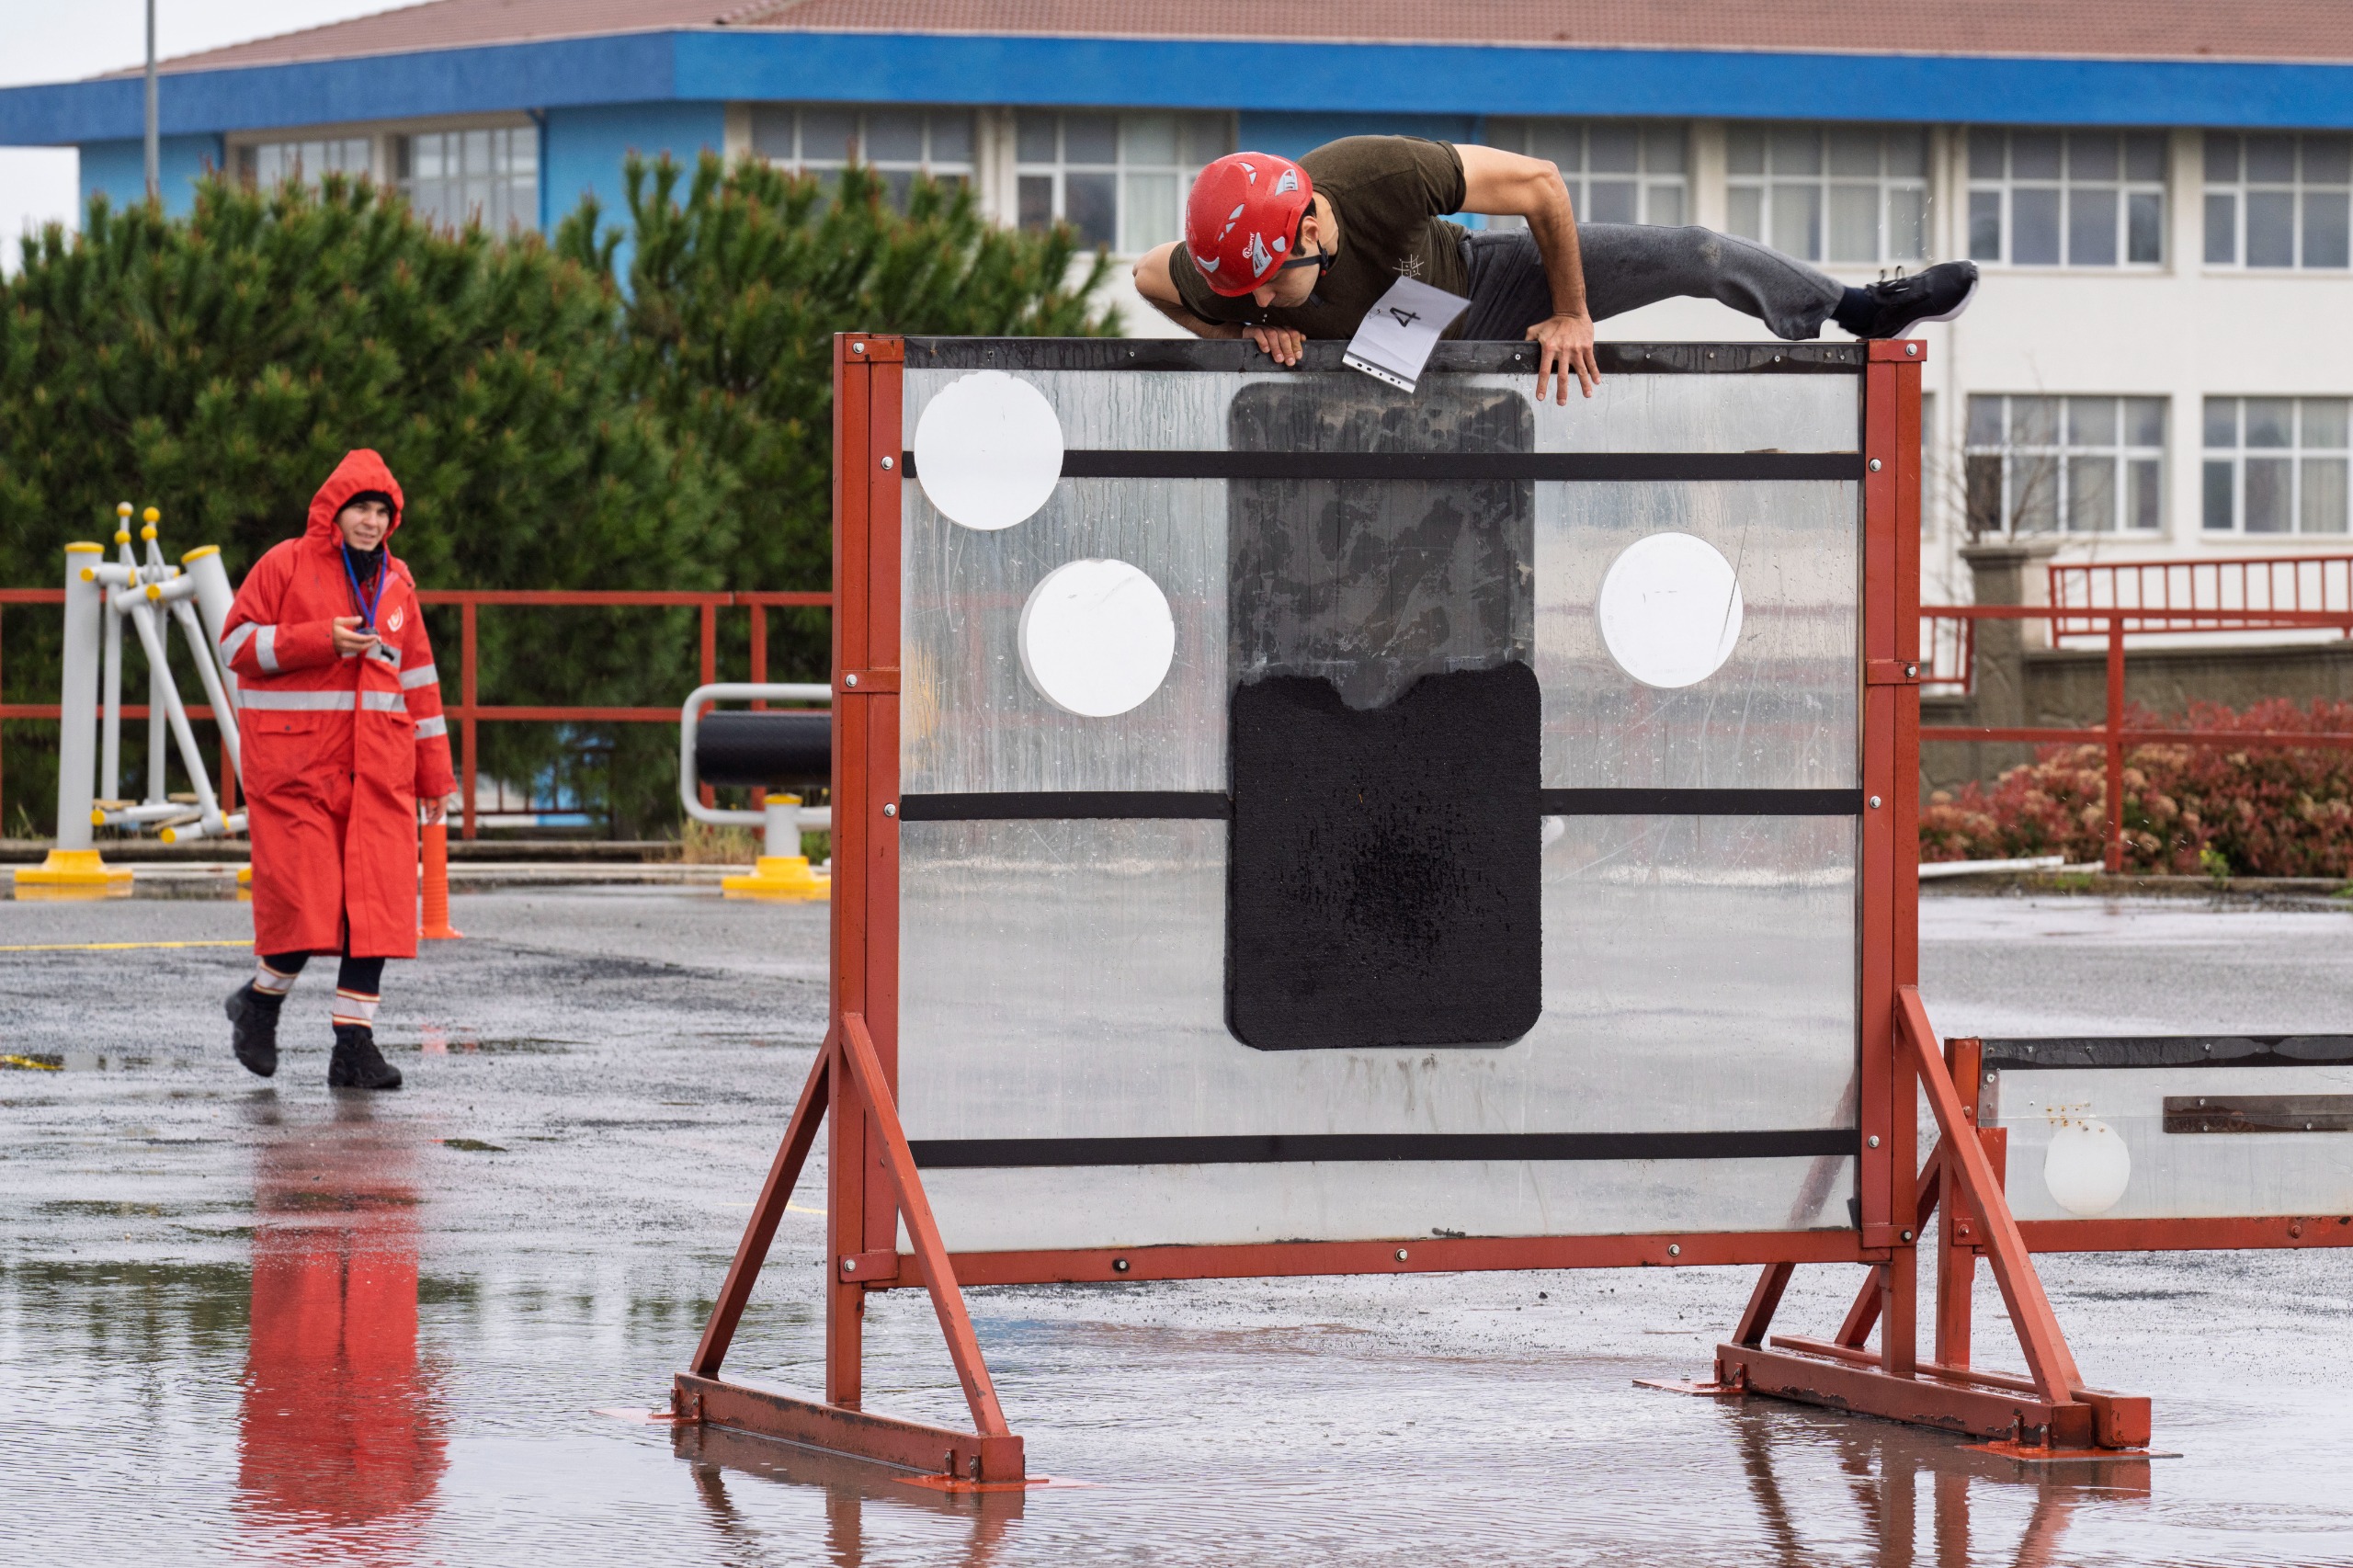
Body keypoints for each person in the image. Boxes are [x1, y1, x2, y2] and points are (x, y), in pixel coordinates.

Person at [1133, 138, 1979, 403]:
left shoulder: (1376, 175)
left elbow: (1539, 183)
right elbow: (1147, 277)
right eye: (1245, 290)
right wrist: (1243, 326)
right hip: (1383, 365)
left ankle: (1859, 305)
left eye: (1275, 284)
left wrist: (1572, 307)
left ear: (1312, 223)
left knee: (1693, 251)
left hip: (1473, 282)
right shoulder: (1229, 271)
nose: (1262, 296)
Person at [218, 449, 456, 1090]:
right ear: (335, 511)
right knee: (309, 907)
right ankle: (259, 1005)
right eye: (361, 508)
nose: (372, 522)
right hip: (296, 771)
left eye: (382, 511)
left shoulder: (398, 585)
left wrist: (436, 776)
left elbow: (419, 683)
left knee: (374, 911)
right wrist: (319, 638)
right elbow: (235, 643)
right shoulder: (284, 564)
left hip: (378, 772)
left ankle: (354, 1048)